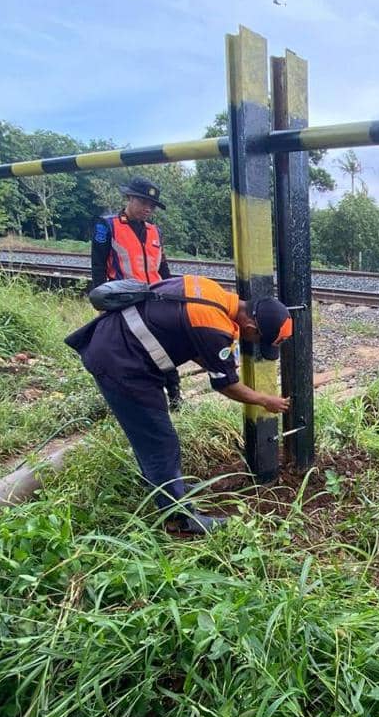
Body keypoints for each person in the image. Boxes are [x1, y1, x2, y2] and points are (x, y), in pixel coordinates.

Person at [65, 274, 293, 535]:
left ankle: (160, 485)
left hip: (117, 343)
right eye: (257, 340)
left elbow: (186, 334)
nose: (253, 343)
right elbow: (225, 385)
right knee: (160, 441)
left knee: (152, 437)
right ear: (251, 327)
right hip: (121, 362)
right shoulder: (214, 328)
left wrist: (218, 363)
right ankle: (179, 519)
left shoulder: (212, 291)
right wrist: (266, 400)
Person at [90, 176, 181, 407]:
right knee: (130, 351)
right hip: (125, 299)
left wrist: (172, 292)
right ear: (129, 198)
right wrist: (101, 303)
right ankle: (133, 395)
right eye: (143, 203)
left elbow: (163, 266)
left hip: (154, 297)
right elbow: (98, 265)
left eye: (152, 205)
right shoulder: (107, 225)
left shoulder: (154, 231)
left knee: (166, 345)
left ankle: (175, 394)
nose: (148, 209)